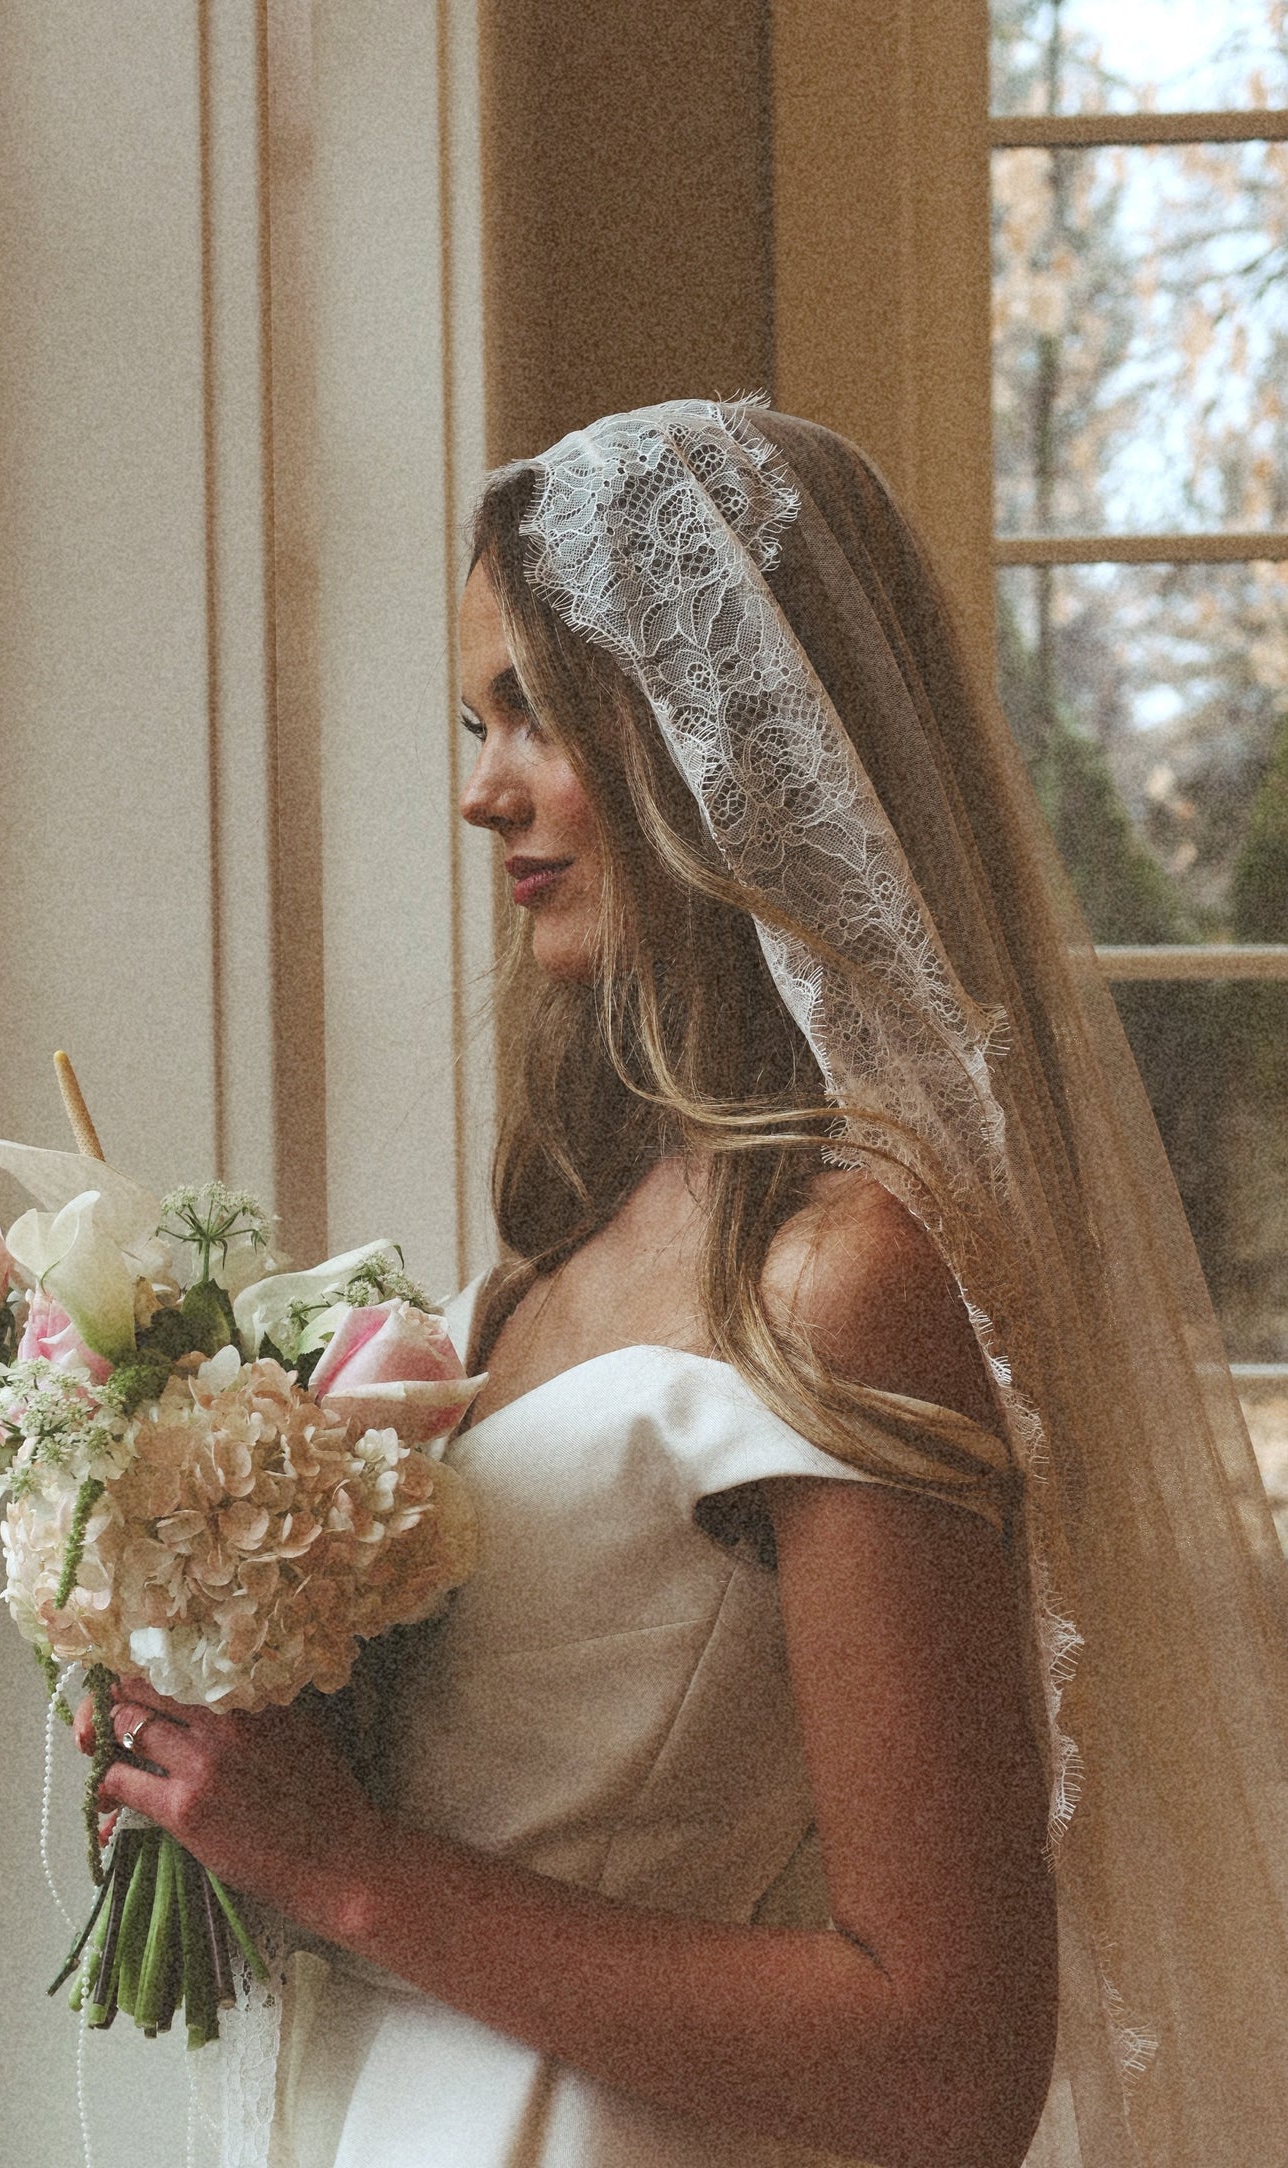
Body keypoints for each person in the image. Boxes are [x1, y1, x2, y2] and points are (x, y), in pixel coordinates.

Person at [83, 401, 1288, 2168]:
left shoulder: (854, 1271)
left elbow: (945, 2059)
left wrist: (342, 1865)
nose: (481, 786)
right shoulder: (554, 1245)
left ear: (722, 738)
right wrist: (233, 1765)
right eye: (474, 721)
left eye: (537, 716)